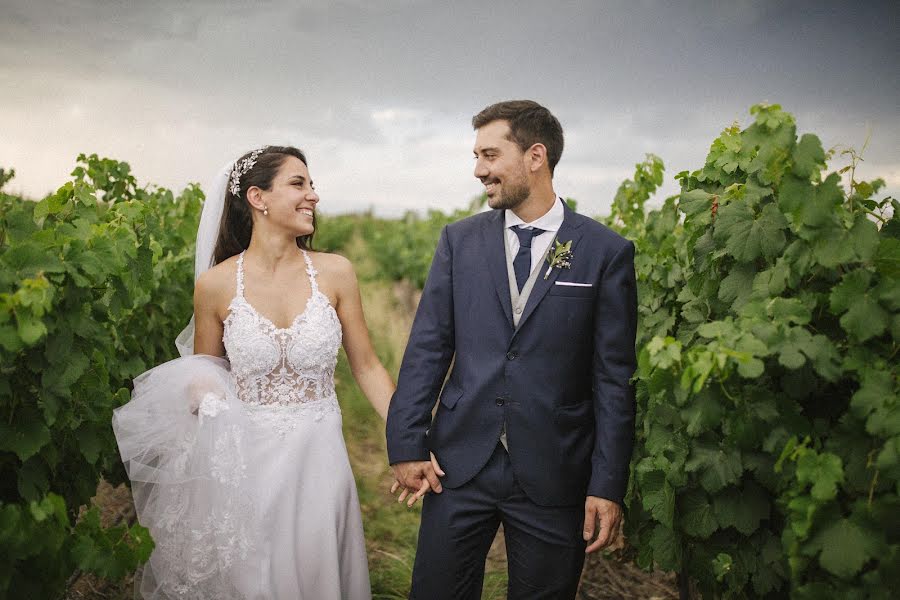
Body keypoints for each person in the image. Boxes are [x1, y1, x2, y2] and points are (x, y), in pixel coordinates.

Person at [113, 146, 393, 599]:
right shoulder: (215, 285)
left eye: (312, 184)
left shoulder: (337, 272)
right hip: (247, 465)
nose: (313, 196)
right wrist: (204, 397)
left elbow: (368, 366)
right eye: (299, 184)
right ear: (258, 198)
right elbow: (206, 371)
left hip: (320, 459)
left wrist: (409, 436)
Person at [385, 100, 638, 599]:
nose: (479, 169)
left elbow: (613, 379)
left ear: (535, 156)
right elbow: (428, 347)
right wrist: (407, 442)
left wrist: (606, 484)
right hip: (457, 464)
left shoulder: (605, 252)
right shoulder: (459, 241)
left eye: (490, 155)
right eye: (476, 156)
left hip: (555, 469)